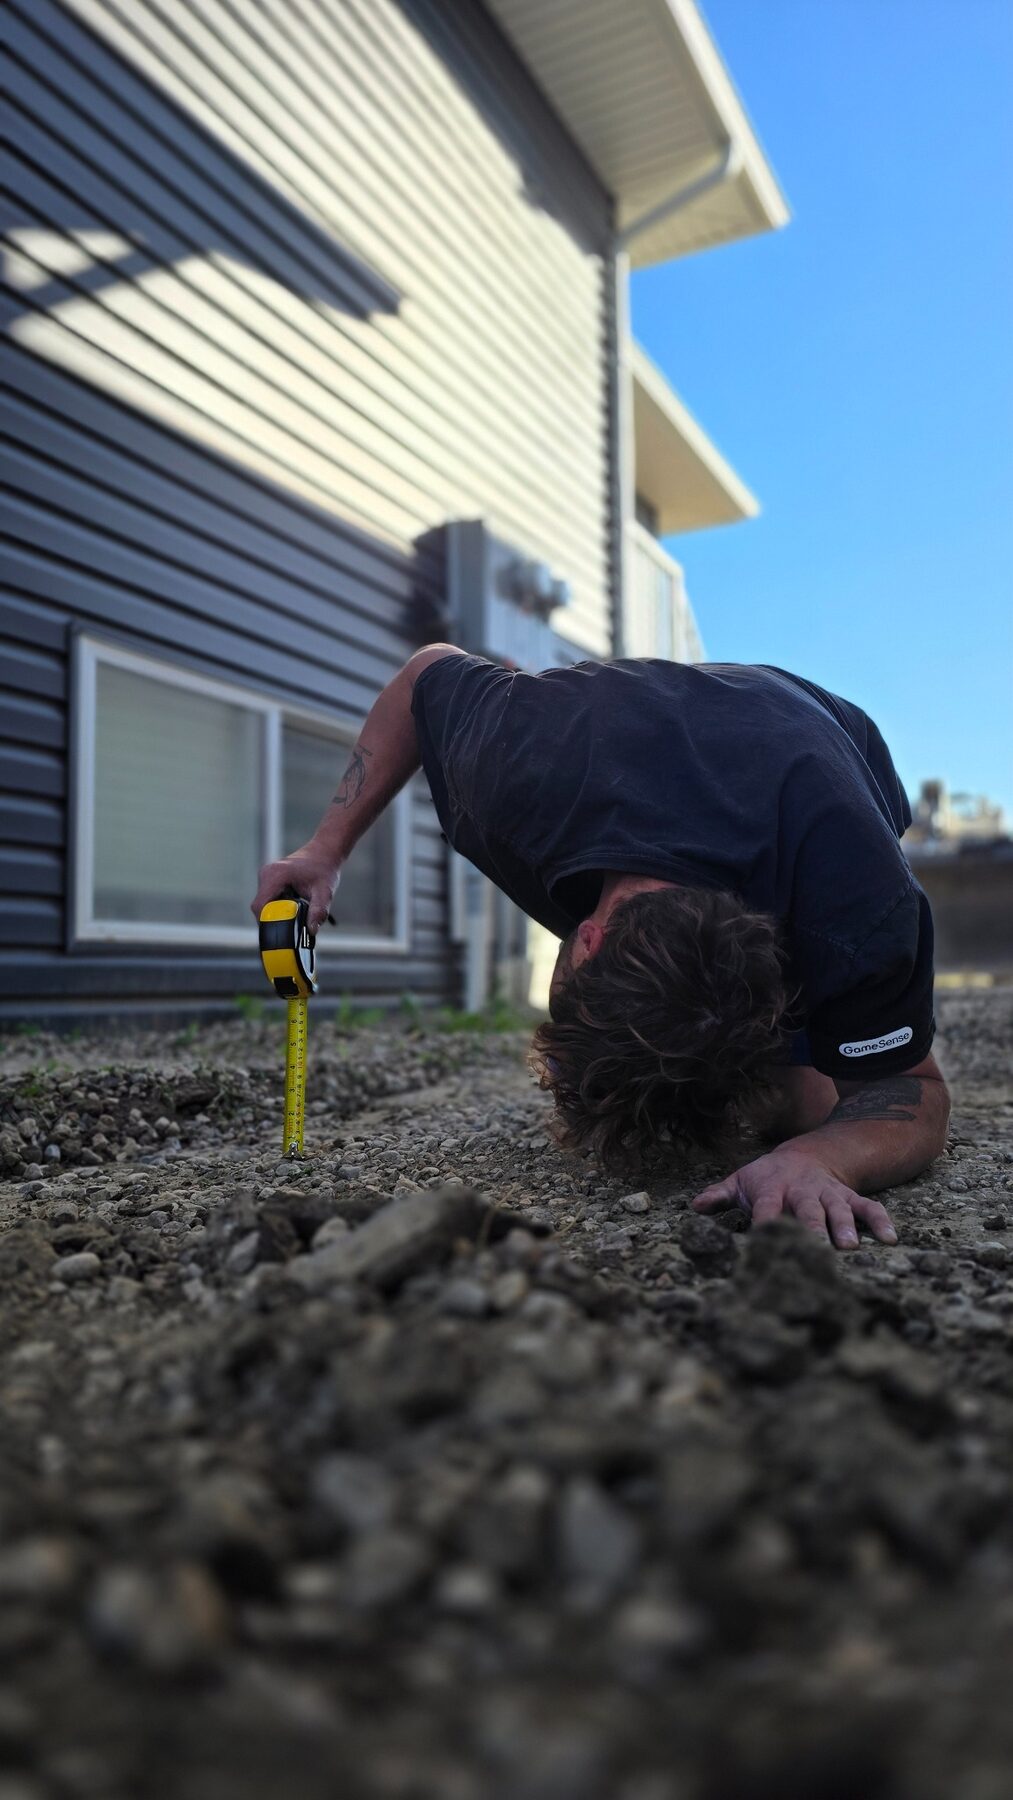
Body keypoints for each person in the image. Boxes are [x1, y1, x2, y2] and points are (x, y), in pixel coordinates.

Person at [251, 646, 950, 1251]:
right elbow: (425, 674)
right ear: (584, 937)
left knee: (804, 1099)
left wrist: (823, 1157)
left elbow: (910, 1087)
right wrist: (325, 848)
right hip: (624, 729)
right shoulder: (517, 763)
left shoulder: (855, 902)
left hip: (830, 739)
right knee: (757, 1092)